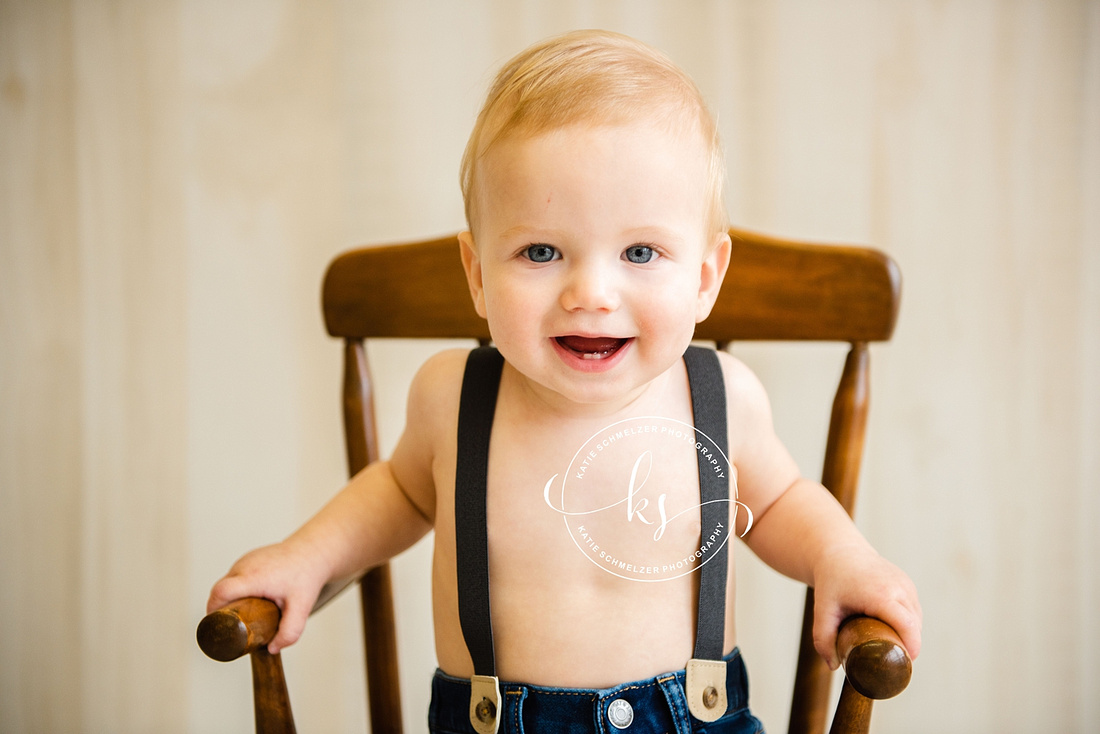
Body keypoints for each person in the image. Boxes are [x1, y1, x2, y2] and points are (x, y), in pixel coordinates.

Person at [207, 29, 921, 733]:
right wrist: (305, 559)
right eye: (541, 251)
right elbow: (395, 492)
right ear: (478, 275)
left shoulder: (721, 398)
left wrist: (841, 557)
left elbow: (782, 503)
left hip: (688, 721)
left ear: (705, 279)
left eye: (640, 251)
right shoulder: (453, 398)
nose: (591, 293)